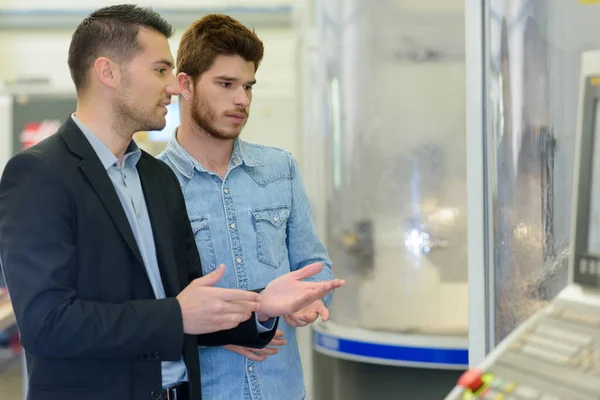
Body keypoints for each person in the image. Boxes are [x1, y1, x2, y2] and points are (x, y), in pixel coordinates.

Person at [0, 5, 344, 400]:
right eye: (160, 70)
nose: (171, 87)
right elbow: (46, 323)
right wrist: (178, 314)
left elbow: (188, 303)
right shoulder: (39, 174)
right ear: (108, 72)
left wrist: (262, 308)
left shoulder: (155, 178)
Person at [158, 14, 337, 400]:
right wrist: (229, 328)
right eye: (225, 84)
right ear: (185, 84)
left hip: (283, 390)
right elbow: (150, 308)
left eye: (248, 86)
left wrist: (310, 297)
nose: (241, 100)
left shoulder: (279, 169)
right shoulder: (152, 182)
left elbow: (315, 264)